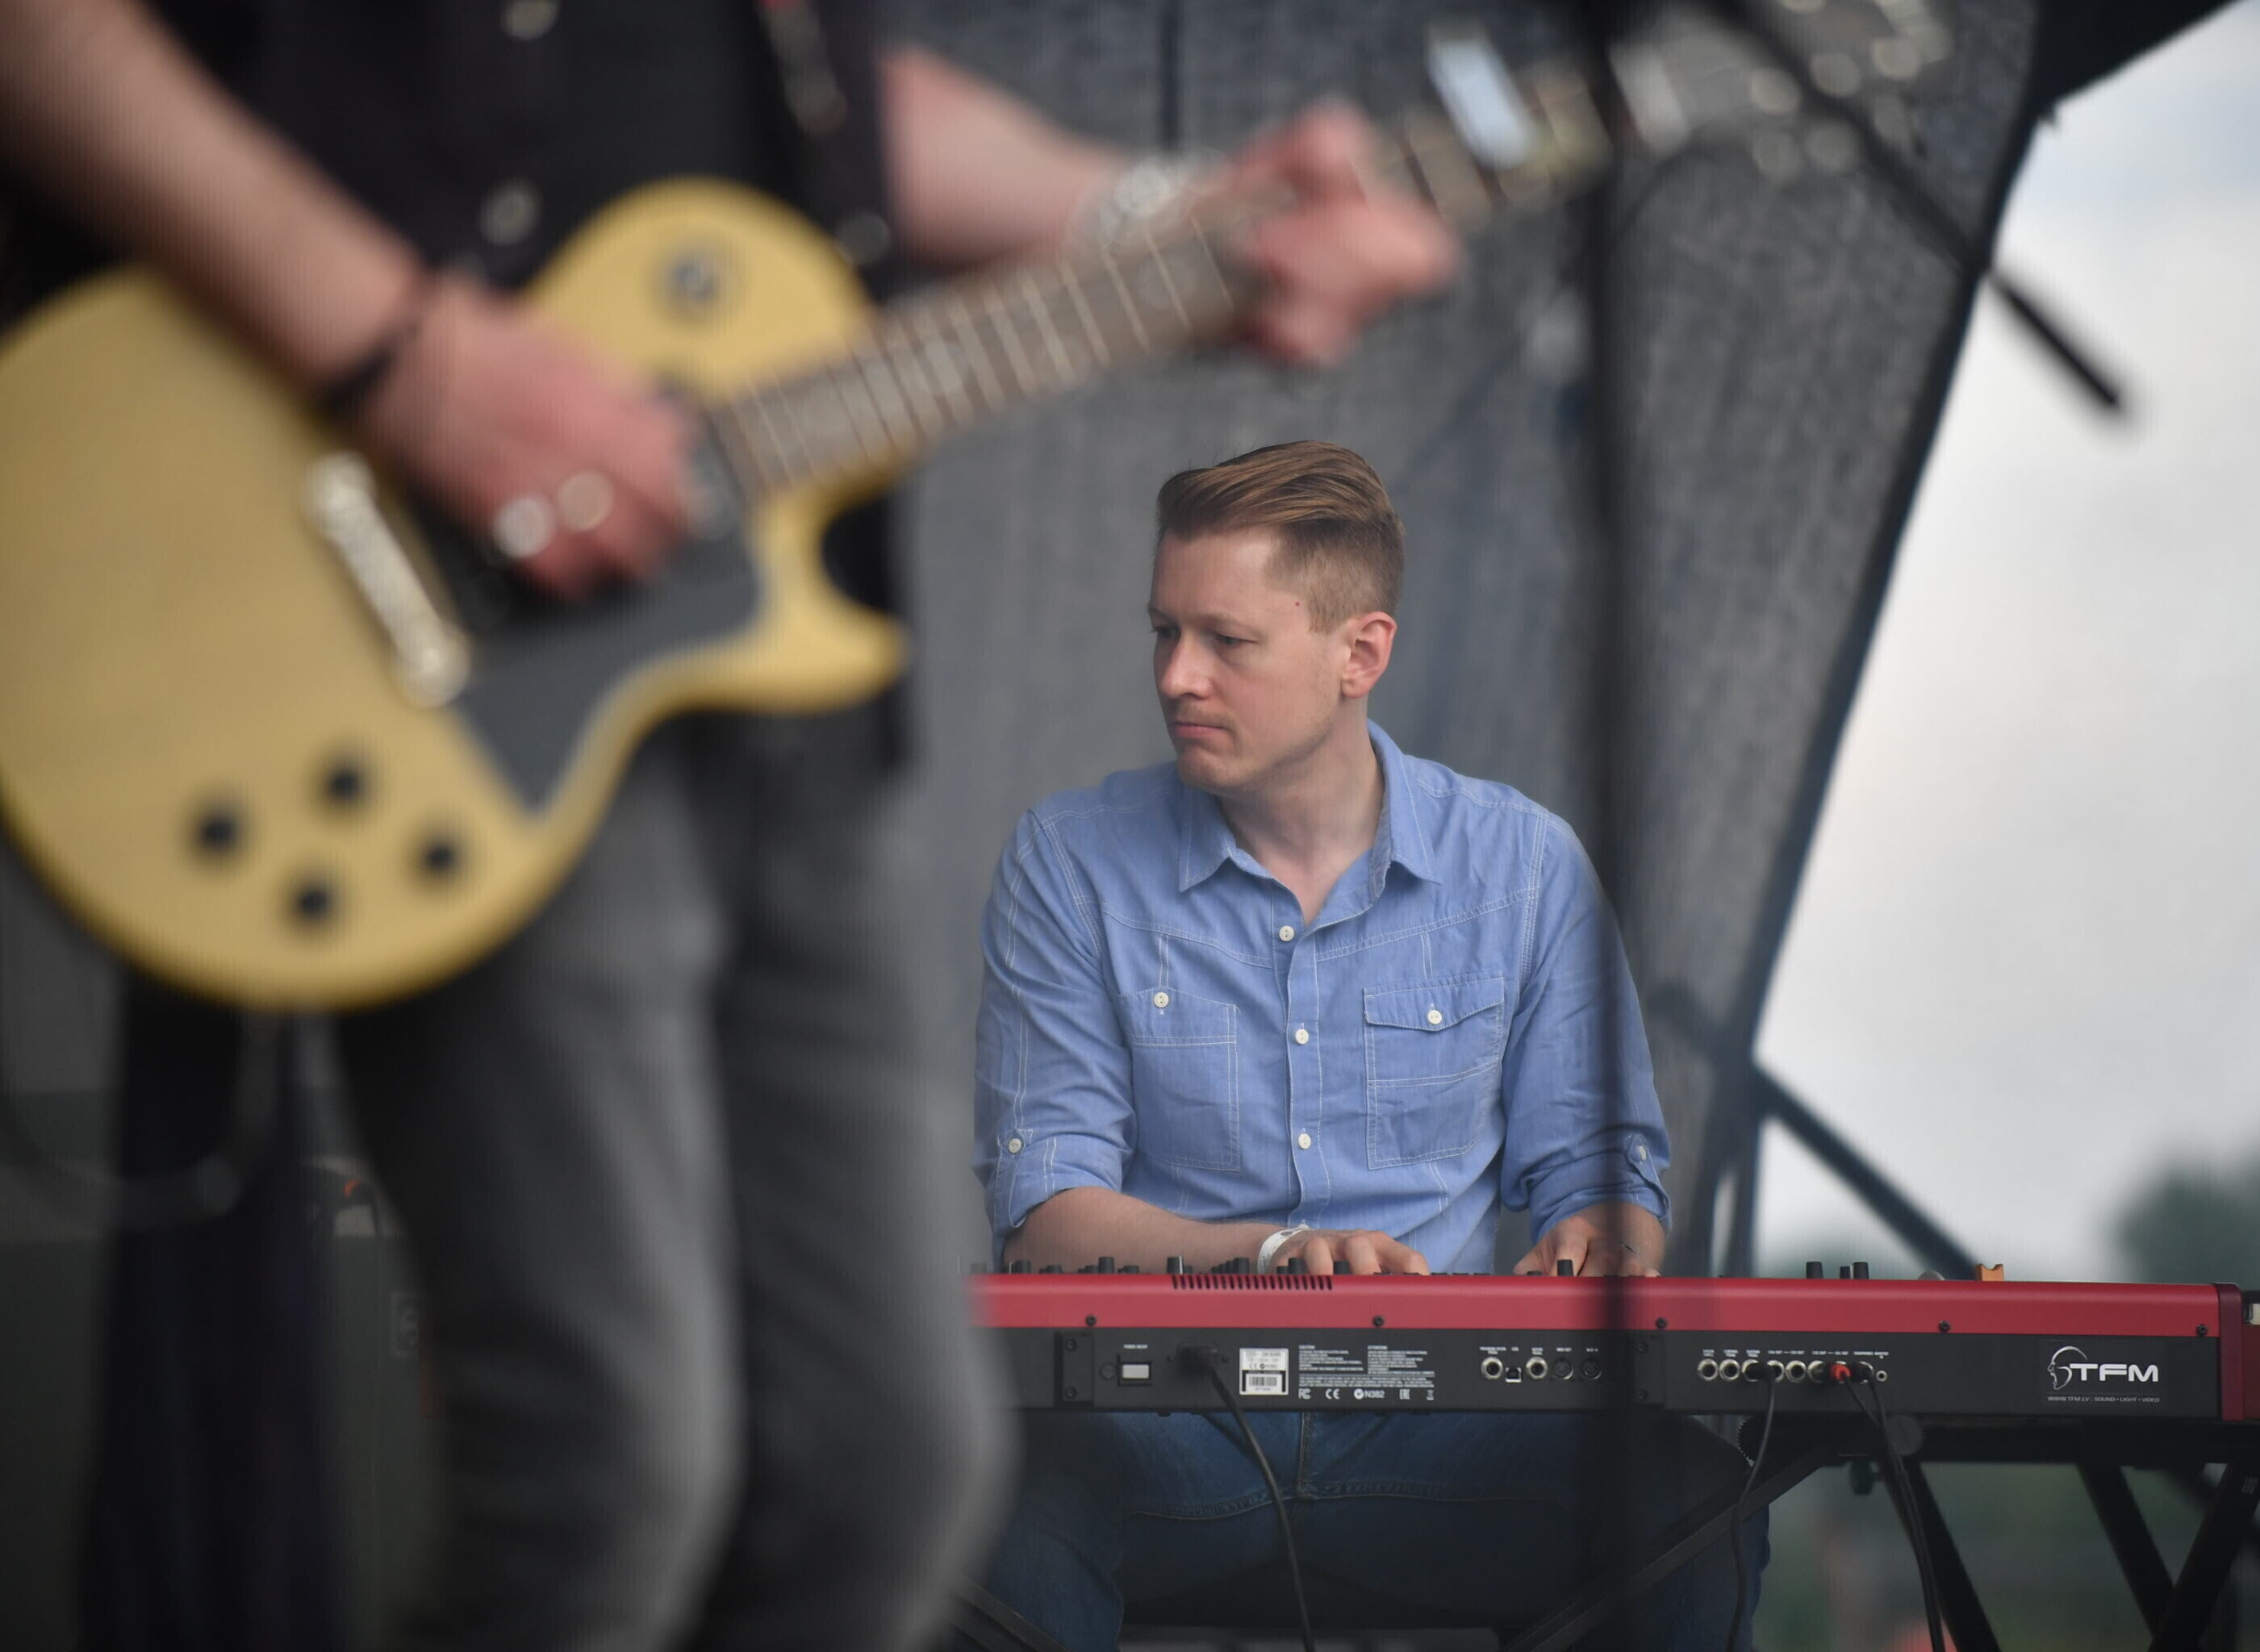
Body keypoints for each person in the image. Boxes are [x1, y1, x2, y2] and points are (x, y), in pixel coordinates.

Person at [0, 6, 1455, 1650]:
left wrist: (1153, 221)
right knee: (608, 1479)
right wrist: (412, 353)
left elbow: (802, 99)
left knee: (884, 1471)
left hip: (777, 673)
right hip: (468, 643)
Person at [968, 440, 1764, 1646]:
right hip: (1160, 1422)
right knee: (993, 1494)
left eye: (1227, 641)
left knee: (1693, 1502)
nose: (1177, 676)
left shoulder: (1524, 864)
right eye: (1164, 631)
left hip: (1450, 1431)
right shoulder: (1068, 861)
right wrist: (1272, 1255)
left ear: (1362, 653)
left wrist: (1604, 1233)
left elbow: (1601, 1168)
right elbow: (1045, 1217)